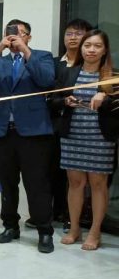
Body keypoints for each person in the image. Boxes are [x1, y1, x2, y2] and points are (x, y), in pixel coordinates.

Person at [0, 19, 56, 253]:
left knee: (37, 184)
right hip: (3, 131)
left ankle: (44, 231)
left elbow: (46, 80)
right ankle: (10, 225)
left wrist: (25, 52)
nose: (14, 37)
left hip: (33, 132)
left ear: (29, 37)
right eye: (10, 33)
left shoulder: (42, 56)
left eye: (20, 34)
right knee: (7, 183)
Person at [51, 29, 119, 251]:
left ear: (105, 50)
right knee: (75, 183)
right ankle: (74, 229)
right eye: (87, 45)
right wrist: (65, 101)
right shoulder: (71, 73)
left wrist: (106, 96)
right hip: (73, 135)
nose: (91, 50)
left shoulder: (112, 75)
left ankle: (95, 231)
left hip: (100, 137)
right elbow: (54, 99)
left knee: (98, 184)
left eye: (97, 46)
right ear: (81, 48)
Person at [44, 18, 93, 230]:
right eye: (69, 34)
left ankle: (72, 216)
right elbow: (46, 95)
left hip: (82, 127)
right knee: (52, 171)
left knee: (76, 177)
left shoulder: (90, 66)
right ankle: (54, 212)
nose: (72, 38)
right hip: (53, 125)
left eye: (78, 33)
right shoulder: (54, 63)